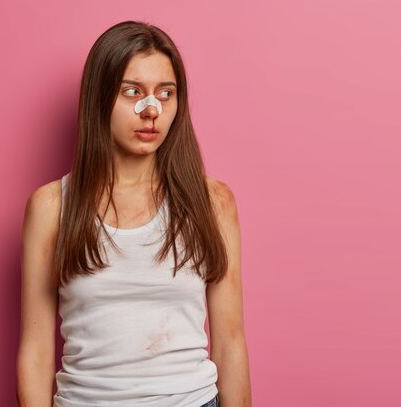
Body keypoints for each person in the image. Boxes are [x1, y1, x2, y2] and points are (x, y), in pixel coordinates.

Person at [16, 20, 251, 407]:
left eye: (166, 93)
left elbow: (231, 345)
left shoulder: (214, 202)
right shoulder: (50, 207)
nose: (151, 109)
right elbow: (36, 354)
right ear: (99, 97)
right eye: (132, 92)